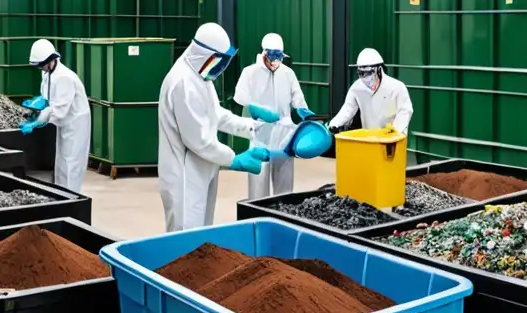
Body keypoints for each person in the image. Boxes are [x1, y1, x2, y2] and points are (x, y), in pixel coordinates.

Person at [158, 22, 276, 232]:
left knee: (202, 234)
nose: (220, 69)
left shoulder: (201, 77)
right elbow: (198, 141)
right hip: (185, 175)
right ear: (205, 55)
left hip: (204, 168)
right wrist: (235, 159)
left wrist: (251, 126)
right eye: (219, 62)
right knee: (186, 235)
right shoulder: (183, 82)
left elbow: (216, 115)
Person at [234, 32, 313, 200]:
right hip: (259, 135)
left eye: (280, 56)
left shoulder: (288, 73)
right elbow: (240, 96)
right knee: (258, 188)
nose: (276, 61)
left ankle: (283, 218)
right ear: (264, 53)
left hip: (284, 136)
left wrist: (303, 110)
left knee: (284, 189)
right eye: (273, 56)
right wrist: (256, 109)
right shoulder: (250, 72)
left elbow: (297, 97)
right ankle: (258, 215)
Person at [20, 39, 91, 194]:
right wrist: (35, 107)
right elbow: (47, 99)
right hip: (64, 124)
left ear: (51, 60)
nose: (41, 68)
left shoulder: (64, 77)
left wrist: (36, 122)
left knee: (71, 164)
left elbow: (59, 110)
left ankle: (72, 197)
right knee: (61, 161)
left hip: (75, 124)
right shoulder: (48, 72)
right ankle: (60, 193)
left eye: (42, 65)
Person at [328, 48, 413, 136]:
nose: (366, 78)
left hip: (393, 140)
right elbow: (348, 109)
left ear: (379, 69)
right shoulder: (357, 88)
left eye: (369, 73)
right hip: (370, 139)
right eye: (362, 73)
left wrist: (396, 131)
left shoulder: (396, 87)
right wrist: (334, 124)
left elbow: (405, 111)